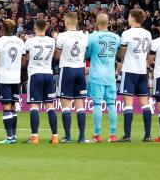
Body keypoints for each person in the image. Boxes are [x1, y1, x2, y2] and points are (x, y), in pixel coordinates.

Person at [118, 8, 153, 142]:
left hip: (130, 70)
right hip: (141, 71)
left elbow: (122, 53)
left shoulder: (127, 33)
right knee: (145, 103)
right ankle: (148, 135)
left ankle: (127, 135)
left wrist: (121, 55)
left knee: (128, 103)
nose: (127, 19)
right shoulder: (148, 34)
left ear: (133, 18)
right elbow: (148, 52)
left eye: (129, 17)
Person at [86, 13, 121, 142]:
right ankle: (113, 134)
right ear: (109, 23)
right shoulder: (116, 37)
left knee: (97, 104)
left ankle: (97, 134)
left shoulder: (92, 37)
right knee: (111, 104)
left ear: (96, 23)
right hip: (110, 76)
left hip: (97, 75)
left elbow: (87, 54)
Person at [23, 18, 59, 144]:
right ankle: (55, 136)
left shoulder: (30, 41)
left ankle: (34, 137)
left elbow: (25, 58)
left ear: (35, 27)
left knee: (34, 106)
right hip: (48, 74)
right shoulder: (51, 41)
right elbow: (55, 56)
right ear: (46, 27)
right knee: (50, 106)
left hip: (35, 74)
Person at [55, 12, 88, 143]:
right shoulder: (84, 36)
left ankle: (68, 136)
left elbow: (56, 56)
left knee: (66, 105)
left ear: (67, 22)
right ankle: (81, 136)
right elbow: (85, 53)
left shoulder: (62, 36)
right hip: (80, 70)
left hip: (67, 70)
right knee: (80, 105)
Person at [0, 19, 24, 144]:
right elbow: (24, 60)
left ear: (3, 29)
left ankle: (9, 137)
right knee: (13, 107)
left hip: (3, 77)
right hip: (16, 78)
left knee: (6, 108)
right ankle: (13, 136)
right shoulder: (20, 42)